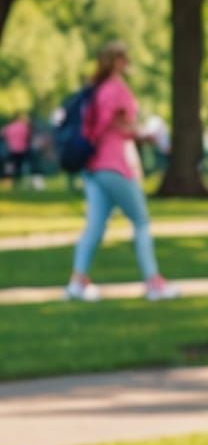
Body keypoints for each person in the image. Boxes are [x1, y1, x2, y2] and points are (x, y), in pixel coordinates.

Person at [64, 42, 181, 302]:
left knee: (94, 225)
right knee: (141, 222)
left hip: (93, 166)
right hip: (115, 164)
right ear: (117, 61)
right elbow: (119, 126)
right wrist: (147, 133)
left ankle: (77, 281)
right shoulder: (115, 90)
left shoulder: (97, 90)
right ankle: (154, 283)